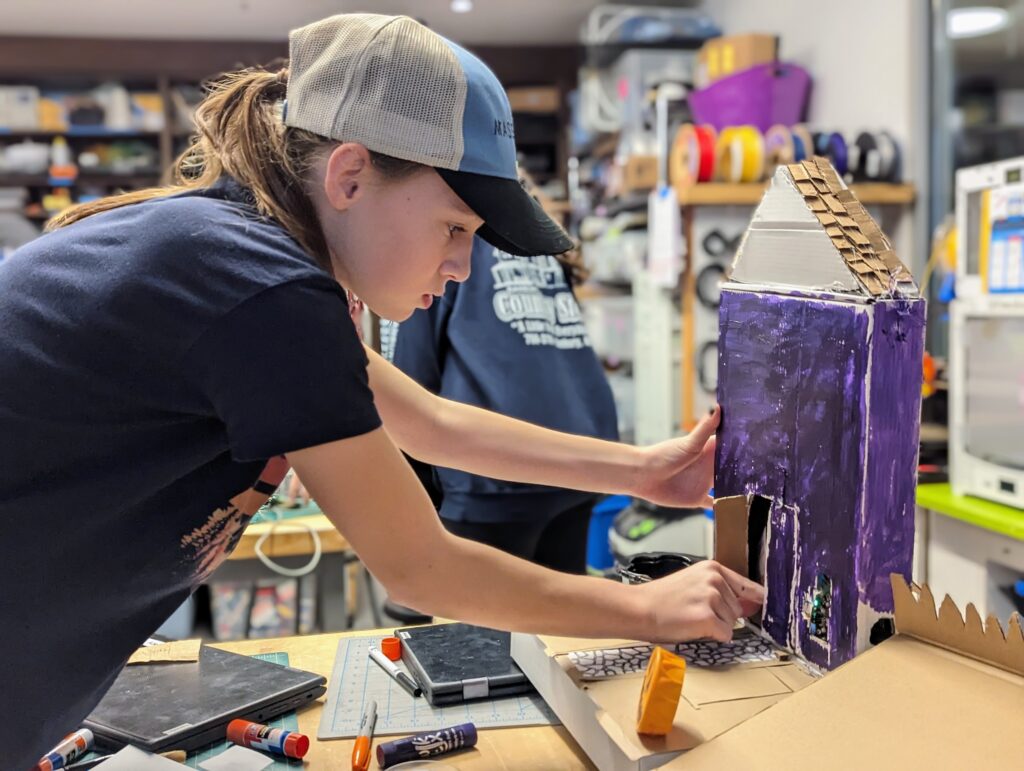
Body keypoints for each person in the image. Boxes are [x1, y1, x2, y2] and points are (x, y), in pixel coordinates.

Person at [0, 14, 762, 768]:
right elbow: (420, 566)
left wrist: (639, 471)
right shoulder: (256, 283)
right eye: (455, 228)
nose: (462, 265)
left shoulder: (242, 256)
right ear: (350, 175)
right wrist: (647, 608)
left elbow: (427, 422)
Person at [391, 234, 618, 575]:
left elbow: (411, 384)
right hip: (574, 462)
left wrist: (417, 492)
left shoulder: (448, 239)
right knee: (560, 621)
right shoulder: (536, 237)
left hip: (493, 476)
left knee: (478, 624)